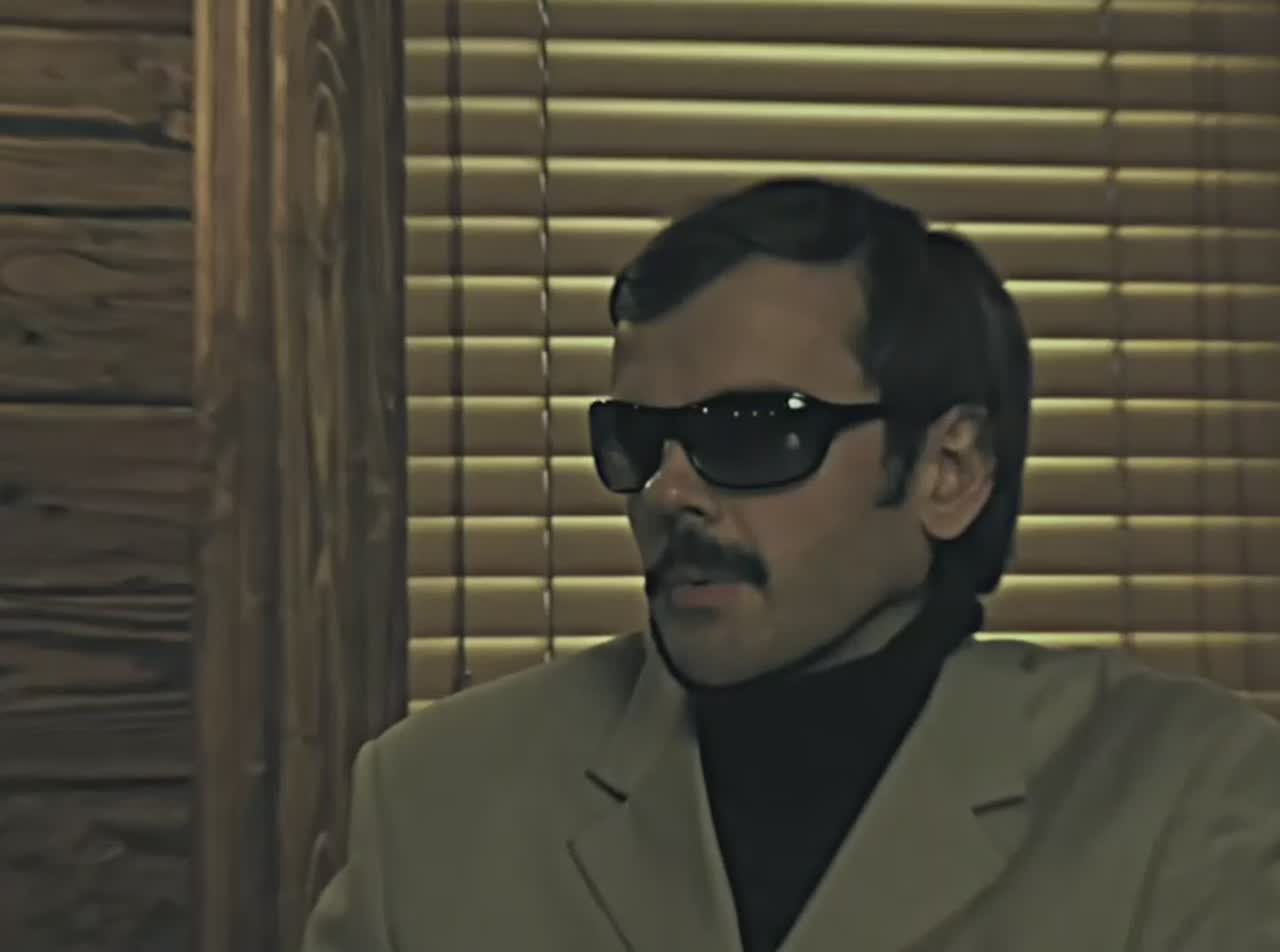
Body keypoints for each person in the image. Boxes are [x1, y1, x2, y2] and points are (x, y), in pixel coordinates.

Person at [302, 178, 1280, 952]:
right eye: (637, 438)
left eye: (753, 430)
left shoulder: (1187, 799)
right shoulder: (435, 799)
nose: (667, 491)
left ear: (946, 472)